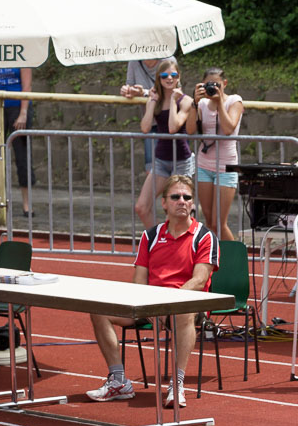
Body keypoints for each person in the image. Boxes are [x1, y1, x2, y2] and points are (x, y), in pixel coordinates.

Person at [86, 175, 216, 408]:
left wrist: (169, 299)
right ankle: (118, 381)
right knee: (98, 308)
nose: (182, 201)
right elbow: (139, 281)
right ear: (164, 203)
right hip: (149, 304)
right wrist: (145, 302)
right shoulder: (151, 235)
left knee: (183, 313)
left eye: (187, 197)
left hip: (184, 304)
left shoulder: (204, 236)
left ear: (193, 203)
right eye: (175, 197)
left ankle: (176, 385)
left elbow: (199, 279)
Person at [135, 58, 195, 228]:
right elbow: (145, 128)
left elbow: (172, 127)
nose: (169, 79)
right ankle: (159, 241)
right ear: (158, 79)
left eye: (173, 75)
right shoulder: (156, 99)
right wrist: (152, 101)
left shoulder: (185, 101)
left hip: (181, 160)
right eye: (164, 76)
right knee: (141, 207)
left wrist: (173, 102)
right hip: (161, 160)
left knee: (179, 210)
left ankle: (186, 244)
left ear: (179, 77)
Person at [192, 67, 243, 241]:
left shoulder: (234, 101)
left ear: (225, 84)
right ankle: (215, 259)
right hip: (204, 165)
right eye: (208, 85)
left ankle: (235, 262)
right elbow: (191, 130)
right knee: (209, 222)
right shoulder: (202, 104)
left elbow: (229, 128)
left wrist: (220, 102)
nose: (212, 88)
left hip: (226, 167)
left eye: (216, 84)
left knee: (219, 223)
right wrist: (194, 103)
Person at [0, 67, 35, 216]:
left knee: (23, 156)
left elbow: (27, 86)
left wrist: (23, 112)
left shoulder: (20, 52)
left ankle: (27, 203)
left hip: (17, 106)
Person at [120, 58, 164, 173]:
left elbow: (172, 89)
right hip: (150, 122)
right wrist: (127, 90)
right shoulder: (134, 62)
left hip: (169, 121)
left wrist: (143, 93)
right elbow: (130, 86)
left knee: (173, 168)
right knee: (151, 168)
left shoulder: (168, 59)